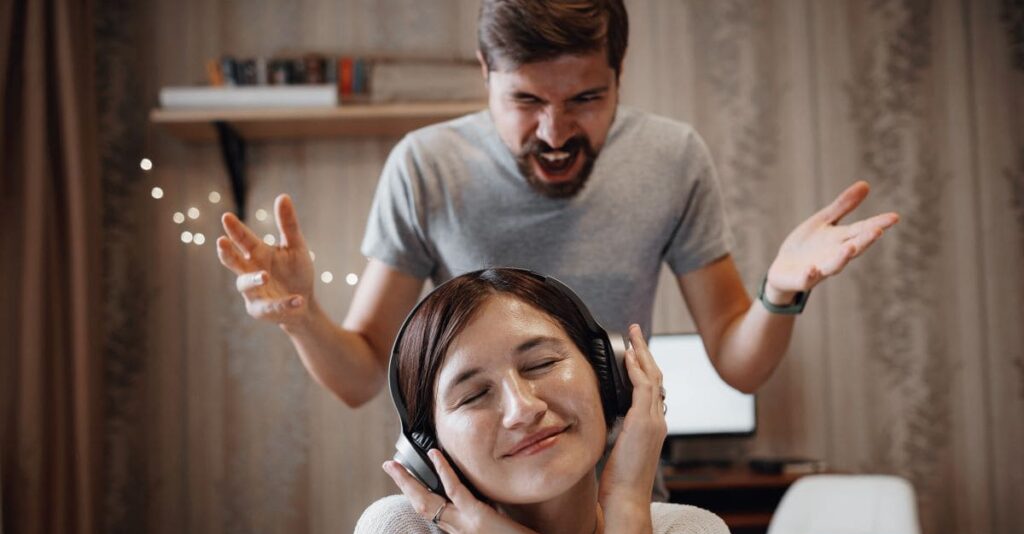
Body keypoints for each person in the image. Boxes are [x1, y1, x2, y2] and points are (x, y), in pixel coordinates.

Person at [215, 0, 897, 480]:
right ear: (486, 72)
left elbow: (738, 362)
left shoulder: (672, 158)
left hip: (618, 485)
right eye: (527, 102)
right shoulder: (427, 165)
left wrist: (778, 293)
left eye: (585, 101)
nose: (554, 132)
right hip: (464, 494)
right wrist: (303, 320)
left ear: (619, 74)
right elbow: (362, 374)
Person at [342, 268, 744, 534]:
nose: (523, 409)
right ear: (429, 450)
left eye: (542, 363)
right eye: (475, 394)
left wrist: (627, 505)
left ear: (610, 378)